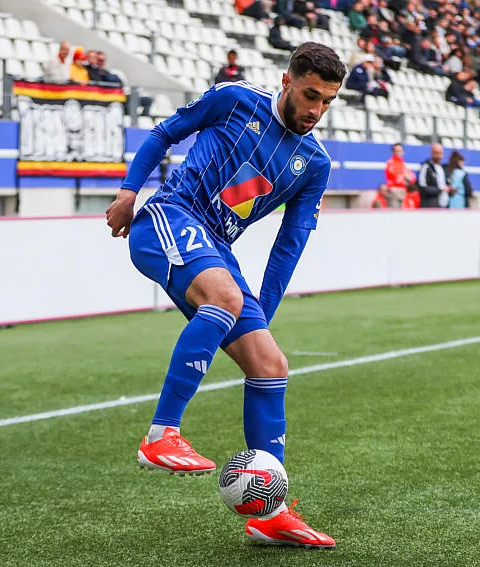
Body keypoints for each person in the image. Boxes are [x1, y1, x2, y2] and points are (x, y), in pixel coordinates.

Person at [105, 42, 345, 550]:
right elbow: (165, 133)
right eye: (310, 95)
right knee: (225, 297)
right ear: (287, 81)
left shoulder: (314, 163)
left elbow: (289, 244)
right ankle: (161, 435)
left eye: (327, 101)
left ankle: (270, 513)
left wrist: (262, 320)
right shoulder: (235, 99)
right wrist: (129, 191)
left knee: (270, 362)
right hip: (169, 217)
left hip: (216, 248)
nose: (316, 110)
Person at [417, 143, 452, 208]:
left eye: (440, 153)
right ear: (431, 153)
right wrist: (439, 189)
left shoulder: (444, 168)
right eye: (436, 153)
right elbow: (422, 187)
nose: (439, 156)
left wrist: (450, 189)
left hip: (444, 204)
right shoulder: (426, 167)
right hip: (430, 205)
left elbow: (447, 184)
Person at [384, 142, 415, 209]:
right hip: (394, 191)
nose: (399, 153)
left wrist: (406, 177)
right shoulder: (390, 163)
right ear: (393, 152)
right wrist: (405, 177)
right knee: (394, 212)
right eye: (397, 151)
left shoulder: (403, 164)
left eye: (400, 151)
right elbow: (397, 178)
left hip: (404, 191)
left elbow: (412, 178)